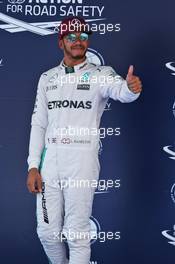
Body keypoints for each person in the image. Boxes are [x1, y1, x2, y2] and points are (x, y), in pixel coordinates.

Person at [26, 16, 142, 264]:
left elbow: (120, 90)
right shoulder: (47, 78)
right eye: (71, 37)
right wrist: (33, 166)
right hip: (50, 164)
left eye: (83, 36)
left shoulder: (100, 74)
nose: (78, 41)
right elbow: (39, 124)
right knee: (47, 233)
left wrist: (130, 89)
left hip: (81, 163)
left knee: (77, 234)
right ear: (61, 42)